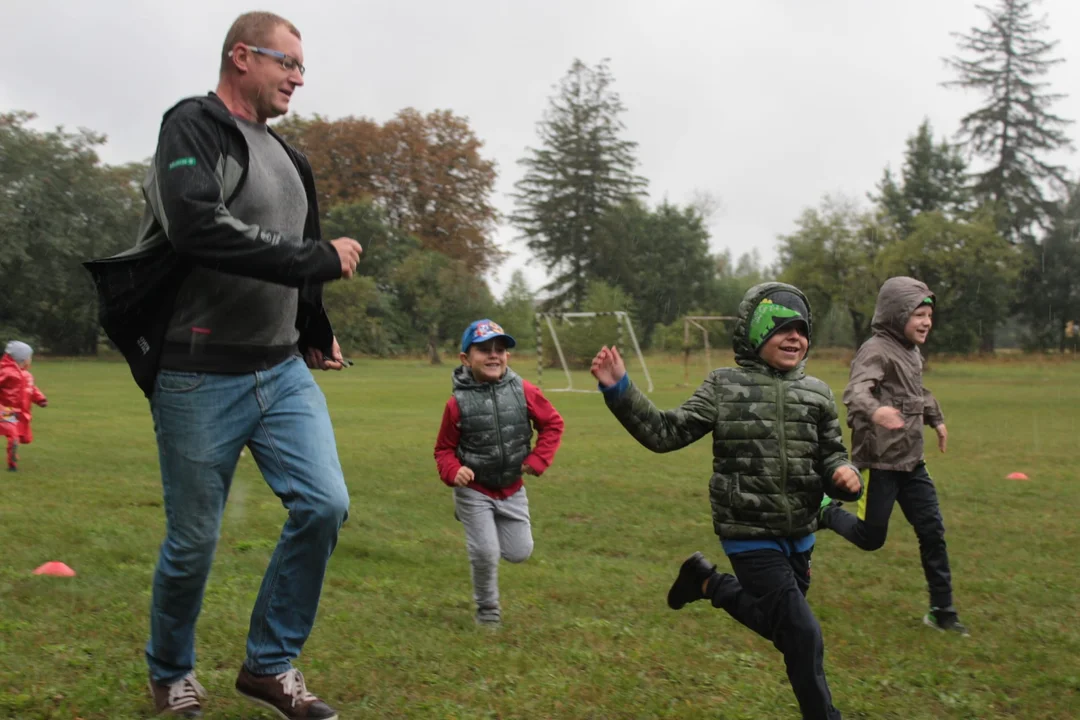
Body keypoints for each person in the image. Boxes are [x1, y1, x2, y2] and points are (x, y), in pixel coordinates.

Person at [83, 11, 364, 719]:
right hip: (197, 373)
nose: (299, 77)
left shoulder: (291, 159)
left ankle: (269, 666)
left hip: (280, 371)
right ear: (242, 57)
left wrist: (314, 328)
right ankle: (170, 672)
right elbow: (197, 225)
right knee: (194, 541)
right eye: (287, 63)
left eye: (303, 68)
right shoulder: (193, 128)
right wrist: (317, 258)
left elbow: (298, 262)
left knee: (325, 503)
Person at [591, 283, 862, 720]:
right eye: (781, 328)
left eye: (802, 329)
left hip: (801, 535)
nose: (795, 337)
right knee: (804, 634)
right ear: (754, 333)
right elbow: (666, 432)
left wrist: (844, 475)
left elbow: (831, 452)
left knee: (785, 630)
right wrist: (620, 389)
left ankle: (705, 582)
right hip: (748, 534)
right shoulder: (724, 386)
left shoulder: (818, 393)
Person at [820, 277, 968, 636]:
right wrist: (875, 411)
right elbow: (856, 391)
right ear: (897, 313)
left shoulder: (912, 352)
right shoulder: (876, 350)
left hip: (912, 462)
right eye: (919, 313)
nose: (927, 322)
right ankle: (825, 511)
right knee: (871, 538)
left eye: (930, 314)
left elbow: (918, 393)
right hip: (879, 462)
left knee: (932, 531)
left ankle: (942, 611)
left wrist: (937, 419)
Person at [434, 319, 564, 627]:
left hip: (512, 487)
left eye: (500, 349)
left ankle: (484, 523)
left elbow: (553, 424)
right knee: (486, 552)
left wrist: (538, 460)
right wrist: (454, 472)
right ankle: (488, 612)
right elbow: (443, 450)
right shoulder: (457, 403)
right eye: (484, 350)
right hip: (474, 489)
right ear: (466, 359)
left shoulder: (525, 391)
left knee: (520, 552)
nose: (494, 355)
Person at [0, 341, 47, 472]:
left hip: (21, 412)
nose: (30, 360)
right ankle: (12, 464)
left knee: (24, 438)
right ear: (22, 358)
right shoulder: (7, 372)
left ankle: (13, 456)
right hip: (6, 410)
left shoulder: (27, 375)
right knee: (13, 435)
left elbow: (31, 389)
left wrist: (40, 399)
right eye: (29, 357)